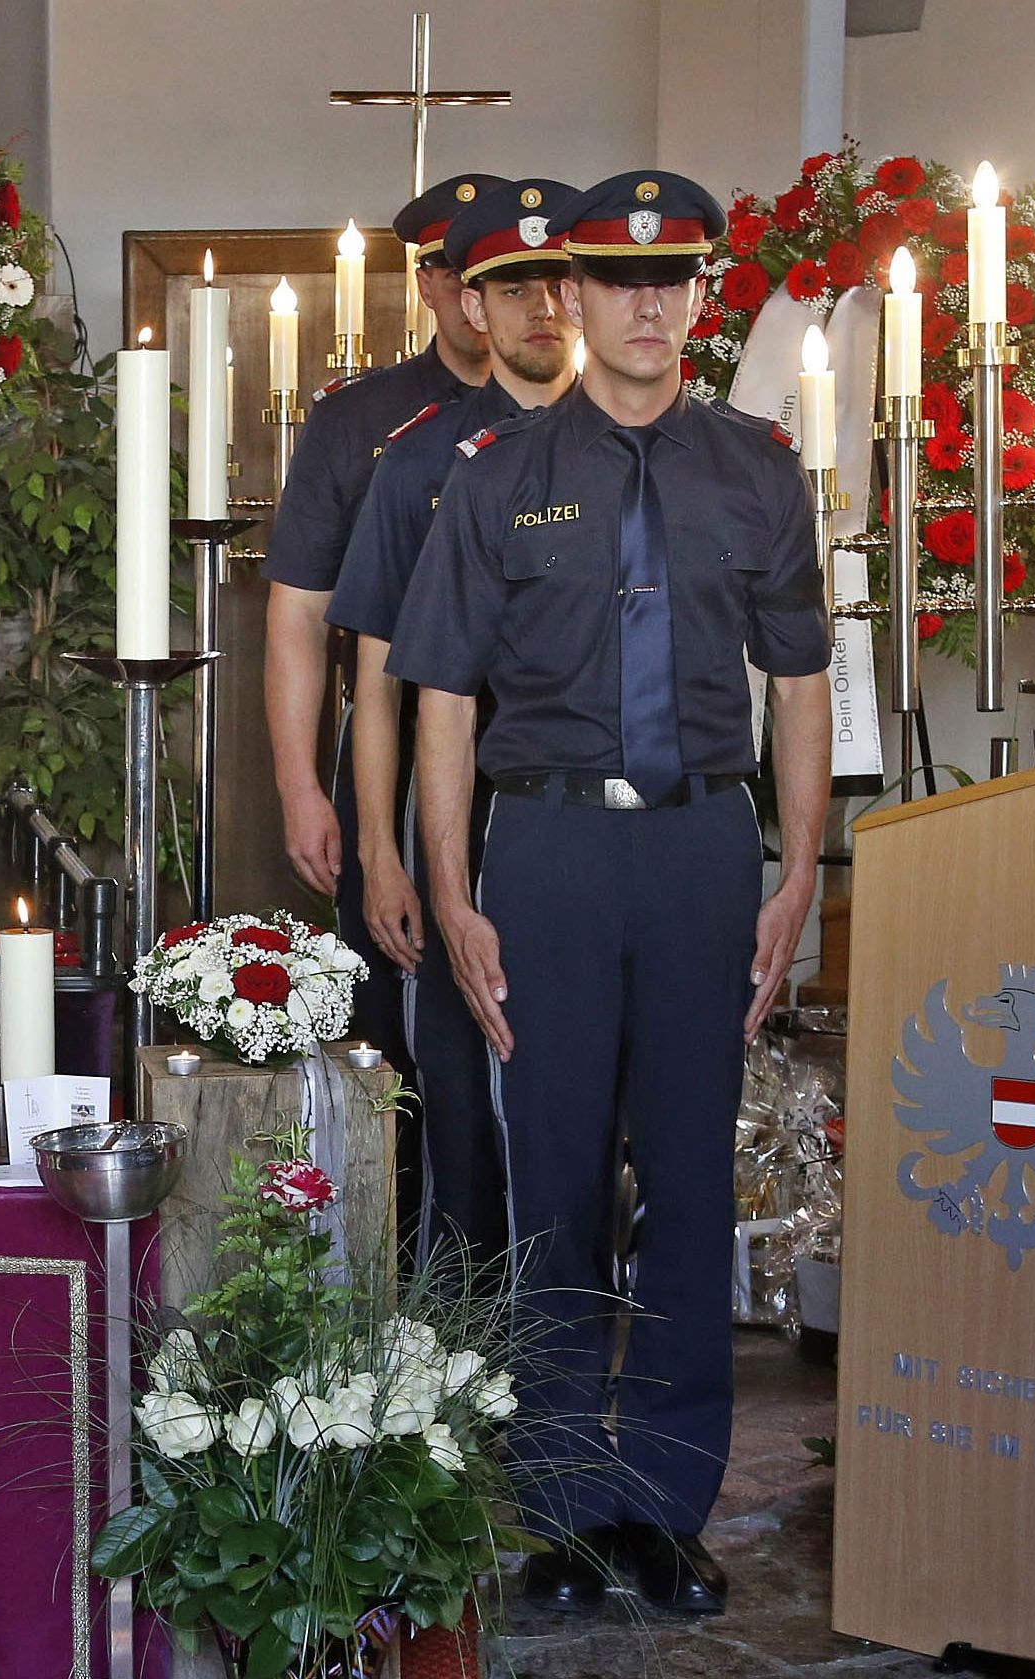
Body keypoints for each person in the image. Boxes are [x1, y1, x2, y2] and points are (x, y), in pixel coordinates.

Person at [390, 171, 831, 1619]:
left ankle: (665, 1505)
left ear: (697, 296)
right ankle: (564, 1509)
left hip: (704, 849)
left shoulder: (757, 471)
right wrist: (451, 888)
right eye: (610, 278)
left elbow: (803, 688)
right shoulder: (496, 476)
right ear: (562, 295)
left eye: (672, 280)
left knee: (693, 1180)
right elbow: (442, 697)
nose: (645, 304)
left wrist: (797, 874)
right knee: (554, 1184)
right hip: (553, 859)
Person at [326, 179, 582, 1265]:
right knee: (460, 1108)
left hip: (579, 815)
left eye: (555, 282)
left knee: (586, 1092)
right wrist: (384, 855)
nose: (540, 308)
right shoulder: (423, 460)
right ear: (468, 308)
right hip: (455, 817)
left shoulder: (635, 441)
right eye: (508, 288)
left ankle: (579, 1345)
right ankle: (468, 1357)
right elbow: (379, 676)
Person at [259, 172, 502, 1236]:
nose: (476, 298)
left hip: (538, 744)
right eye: (455, 276)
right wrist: (300, 785)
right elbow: (300, 618)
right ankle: (411, 1275)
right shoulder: (361, 420)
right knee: (405, 1024)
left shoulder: (569, 409)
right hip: (395, 748)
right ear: (433, 285)